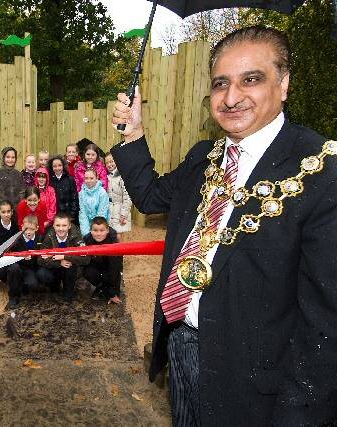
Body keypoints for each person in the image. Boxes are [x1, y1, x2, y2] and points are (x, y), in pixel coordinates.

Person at [112, 26, 337, 426]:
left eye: (251, 79)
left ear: (283, 84)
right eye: (220, 84)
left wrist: (298, 415)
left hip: (258, 387)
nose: (231, 98)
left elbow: (325, 325)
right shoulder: (204, 156)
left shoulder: (323, 172)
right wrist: (134, 135)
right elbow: (150, 198)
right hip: (182, 350)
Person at [37, 213, 89, 302]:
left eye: (64, 225)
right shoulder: (49, 236)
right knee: (42, 274)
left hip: (70, 269)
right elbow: (40, 259)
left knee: (70, 266)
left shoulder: (76, 236)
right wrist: (59, 261)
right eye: (58, 225)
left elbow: (86, 259)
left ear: (69, 226)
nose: (61, 229)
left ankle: (68, 290)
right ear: (53, 226)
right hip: (56, 267)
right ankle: (54, 286)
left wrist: (65, 257)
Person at [3, 215, 43, 308]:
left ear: (37, 228)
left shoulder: (40, 238)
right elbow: (7, 253)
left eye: (32, 229)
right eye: (26, 229)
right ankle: (13, 297)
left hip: (31, 268)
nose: (28, 232)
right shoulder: (16, 239)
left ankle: (24, 285)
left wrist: (35, 255)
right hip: (18, 266)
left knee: (33, 284)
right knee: (13, 269)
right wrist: (20, 256)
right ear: (22, 227)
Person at [82, 217, 123, 305]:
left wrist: (113, 293)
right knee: (86, 271)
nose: (98, 234)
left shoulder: (113, 242)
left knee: (111, 275)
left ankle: (110, 290)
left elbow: (115, 270)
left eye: (102, 230)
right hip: (96, 264)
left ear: (107, 230)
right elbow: (83, 260)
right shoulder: (87, 240)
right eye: (95, 230)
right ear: (90, 230)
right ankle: (101, 287)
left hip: (110, 266)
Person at [0, 147, 25, 219]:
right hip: (2, 212)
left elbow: (22, 193)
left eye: (13, 157)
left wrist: (19, 210)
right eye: (8, 157)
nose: (10, 160)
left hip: (16, 213)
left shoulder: (18, 174)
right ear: (3, 158)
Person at [104, 153, 132, 237]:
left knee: (118, 235)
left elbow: (127, 197)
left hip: (120, 208)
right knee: (109, 234)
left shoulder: (122, 177)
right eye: (107, 163)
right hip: (109, 208)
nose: (109, 164)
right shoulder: (105, 176)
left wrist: (124, 213)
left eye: (112, 161)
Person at [47, 155, 79, 224]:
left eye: (59, 165)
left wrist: (72, 215)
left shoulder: (70, 179)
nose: (57, 168)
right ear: (51, 167)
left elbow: (74, 198)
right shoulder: (49, 180)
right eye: (54, 166)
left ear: (63, 166)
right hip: (55, 216)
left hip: (68, 215)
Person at [78, 168, 110, 236]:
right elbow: (82, 213)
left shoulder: (102, 193)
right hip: (87, 225)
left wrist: (95, 230)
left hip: (100, 225)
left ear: (96, 178)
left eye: (91, 178)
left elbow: (102, 213)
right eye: (86, 178)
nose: (88, 181)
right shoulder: (81, 193)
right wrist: (86, 232)